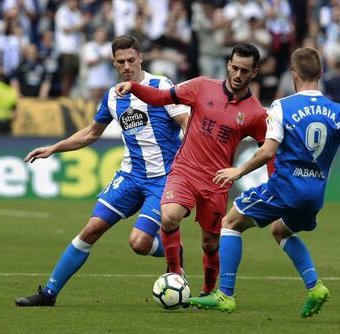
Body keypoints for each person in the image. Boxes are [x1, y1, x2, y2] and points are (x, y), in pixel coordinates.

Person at [187, 47, 340, 316]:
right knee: (280, 231)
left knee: (230, 223)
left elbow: (267, 151)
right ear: (321, 73)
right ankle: (315, 287)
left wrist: (238, 171)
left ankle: (224, 294)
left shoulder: (283, 107)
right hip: (315, 195)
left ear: (293, 74)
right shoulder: (336, 111)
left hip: (286, 188)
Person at [15, 35, 189, 306]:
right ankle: (49, 294)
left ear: (141, 58)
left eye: (132, 60)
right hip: (131, 176)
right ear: (114, 63)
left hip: (163, 178)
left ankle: (174, 253)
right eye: (121, 62)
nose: (127, 66)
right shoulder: (112, 96)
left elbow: (185, 121)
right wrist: (54, 148)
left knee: (139, 243)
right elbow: (90, 134)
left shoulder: (161, 86)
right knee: (90, 230)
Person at [115, 43, 274, 296]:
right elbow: (162, 97)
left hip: (216, 182)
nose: (237, 75)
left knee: (210, 243)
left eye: (245, 70)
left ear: (254, 72)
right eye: (234, 67)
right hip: (185, 170)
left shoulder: (255, 114)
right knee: (168, 216)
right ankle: (175, 273)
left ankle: (208, 292)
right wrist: (134, 87)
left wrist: (270, 183)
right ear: (228, 65)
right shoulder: (202, 86)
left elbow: (269, 151)